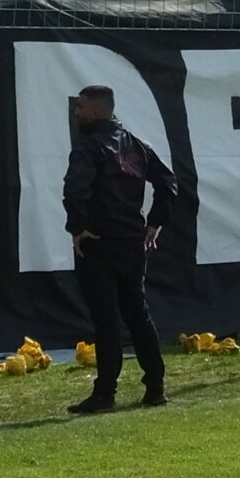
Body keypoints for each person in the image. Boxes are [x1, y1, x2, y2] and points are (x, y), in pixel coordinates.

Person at [63, 84, 177, 414]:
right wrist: (154, 223)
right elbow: (168, 184)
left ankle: (105, 394)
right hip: (131, 243)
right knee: (137, 313)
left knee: (106, 318)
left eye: (81, 107)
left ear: (98, 110)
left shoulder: (89, 146)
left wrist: (78, 228)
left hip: (99, 243)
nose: (77, 112)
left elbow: (74, 190)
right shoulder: (137, 145)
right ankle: (155, 386)